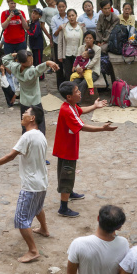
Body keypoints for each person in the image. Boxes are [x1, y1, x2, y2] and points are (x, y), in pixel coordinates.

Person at [0, 106, 50, 263]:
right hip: (42, 182)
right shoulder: (40, 135)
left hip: (30, 184)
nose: (23, 114)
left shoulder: (27, 136)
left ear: (32, 118)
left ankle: (33, 250)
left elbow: (10, 156)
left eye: (26, 113)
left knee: (21, 219)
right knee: (37, 208)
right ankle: (44, 229)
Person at [53, 81, 117, 218]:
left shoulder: (71, 106)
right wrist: (102, 129)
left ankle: (69, 193)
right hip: (66, 149)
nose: (80, 92)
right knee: (66, 175)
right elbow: (83, 126)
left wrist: (94, 106)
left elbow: (81, 111)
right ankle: (63, 208)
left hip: (67, 147)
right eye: (76, 91)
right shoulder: (67, 110)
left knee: (67, 173)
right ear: (69, 96)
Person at [2, 49, 59, 136]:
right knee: (39, 123)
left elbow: (5, 60)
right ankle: (40, 138)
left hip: (24, 101)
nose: (32, 61)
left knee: (25, 123)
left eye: (31, 58)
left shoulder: (15, 67)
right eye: (29, 60)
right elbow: (38, 70)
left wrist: (14, 55)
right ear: (22, 63)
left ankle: (26, 138)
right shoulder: (30, 72)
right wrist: (47, 63)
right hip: (35, 101)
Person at [57, 8, 85, 82]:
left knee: (77, 73)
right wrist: (60, 55)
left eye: (73, 15)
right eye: (69, 16)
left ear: (76, 16)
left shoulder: (81, 27)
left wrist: (84, 53)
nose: (71, 17)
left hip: (78, 54)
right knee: (68, 73)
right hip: (67, 54)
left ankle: (76, 90)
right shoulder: (63, 27)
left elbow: (85, 41)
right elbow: (60, 42)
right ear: (67, 17)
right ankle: (68, 90)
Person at [51, 0, 68, 86]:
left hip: (68, 44)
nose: (61, 8)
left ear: (66, 7)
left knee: (68, 64)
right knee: (59, 64)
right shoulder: (54, 18)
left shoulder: (69, 16)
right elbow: (55, 33)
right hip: (58, 43)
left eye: (63, 6)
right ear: (57, 7)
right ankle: (60, 84)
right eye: (59, 7)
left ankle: (68, 82)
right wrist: (59, 28)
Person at [28, 8, 45, 75]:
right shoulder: (32, 23)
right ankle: (37, 74)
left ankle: (41, 75)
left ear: (39, 16)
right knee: (35, 61)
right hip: (33, 45)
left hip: (38, 46)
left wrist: (27, 29)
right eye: (33, 13)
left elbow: (34, 34)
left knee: (39, 61)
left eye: (36, 14)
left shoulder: (37, 24)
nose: (34, 15)